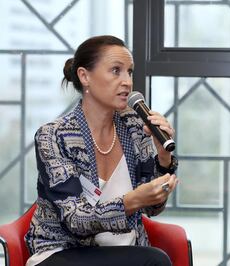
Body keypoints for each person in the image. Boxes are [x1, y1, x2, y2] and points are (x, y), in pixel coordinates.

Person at [25, 35, 178, 266]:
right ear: (84, 76)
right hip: (63, 251)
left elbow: (152, 209)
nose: (127, 81)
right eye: (116, 70)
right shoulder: (54, 136)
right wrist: (130, 201)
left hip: (125, 252)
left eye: (130, 72)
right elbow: (76, 220)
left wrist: (163, 156)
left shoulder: (135, 127)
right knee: (154, 261)